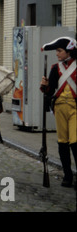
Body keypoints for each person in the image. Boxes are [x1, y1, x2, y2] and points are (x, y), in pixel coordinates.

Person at [40, 37, 77, 188]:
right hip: (60, 107)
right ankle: (67, 175)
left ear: (69, 51)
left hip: (75, 108)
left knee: (75, 142)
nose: (57, 54)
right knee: (63, 142)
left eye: (60, 50)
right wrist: (45, 85)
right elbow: (50, 91)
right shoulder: (55, 68)